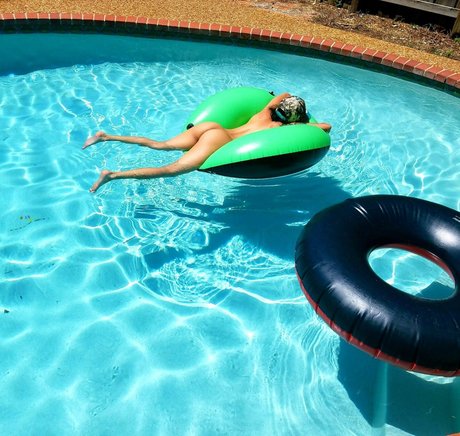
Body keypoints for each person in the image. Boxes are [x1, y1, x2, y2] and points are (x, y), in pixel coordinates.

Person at [84, 93, 332, 192]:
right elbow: (324, 128)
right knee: (171, 169)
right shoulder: (283, 129)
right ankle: (112, 176)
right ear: (294, 119)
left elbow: (284, 94)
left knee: (160, 144)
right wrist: (303, 120)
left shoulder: (265, 112)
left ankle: (106, 136)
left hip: (213, 127)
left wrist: (286, 101)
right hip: (220, 140)